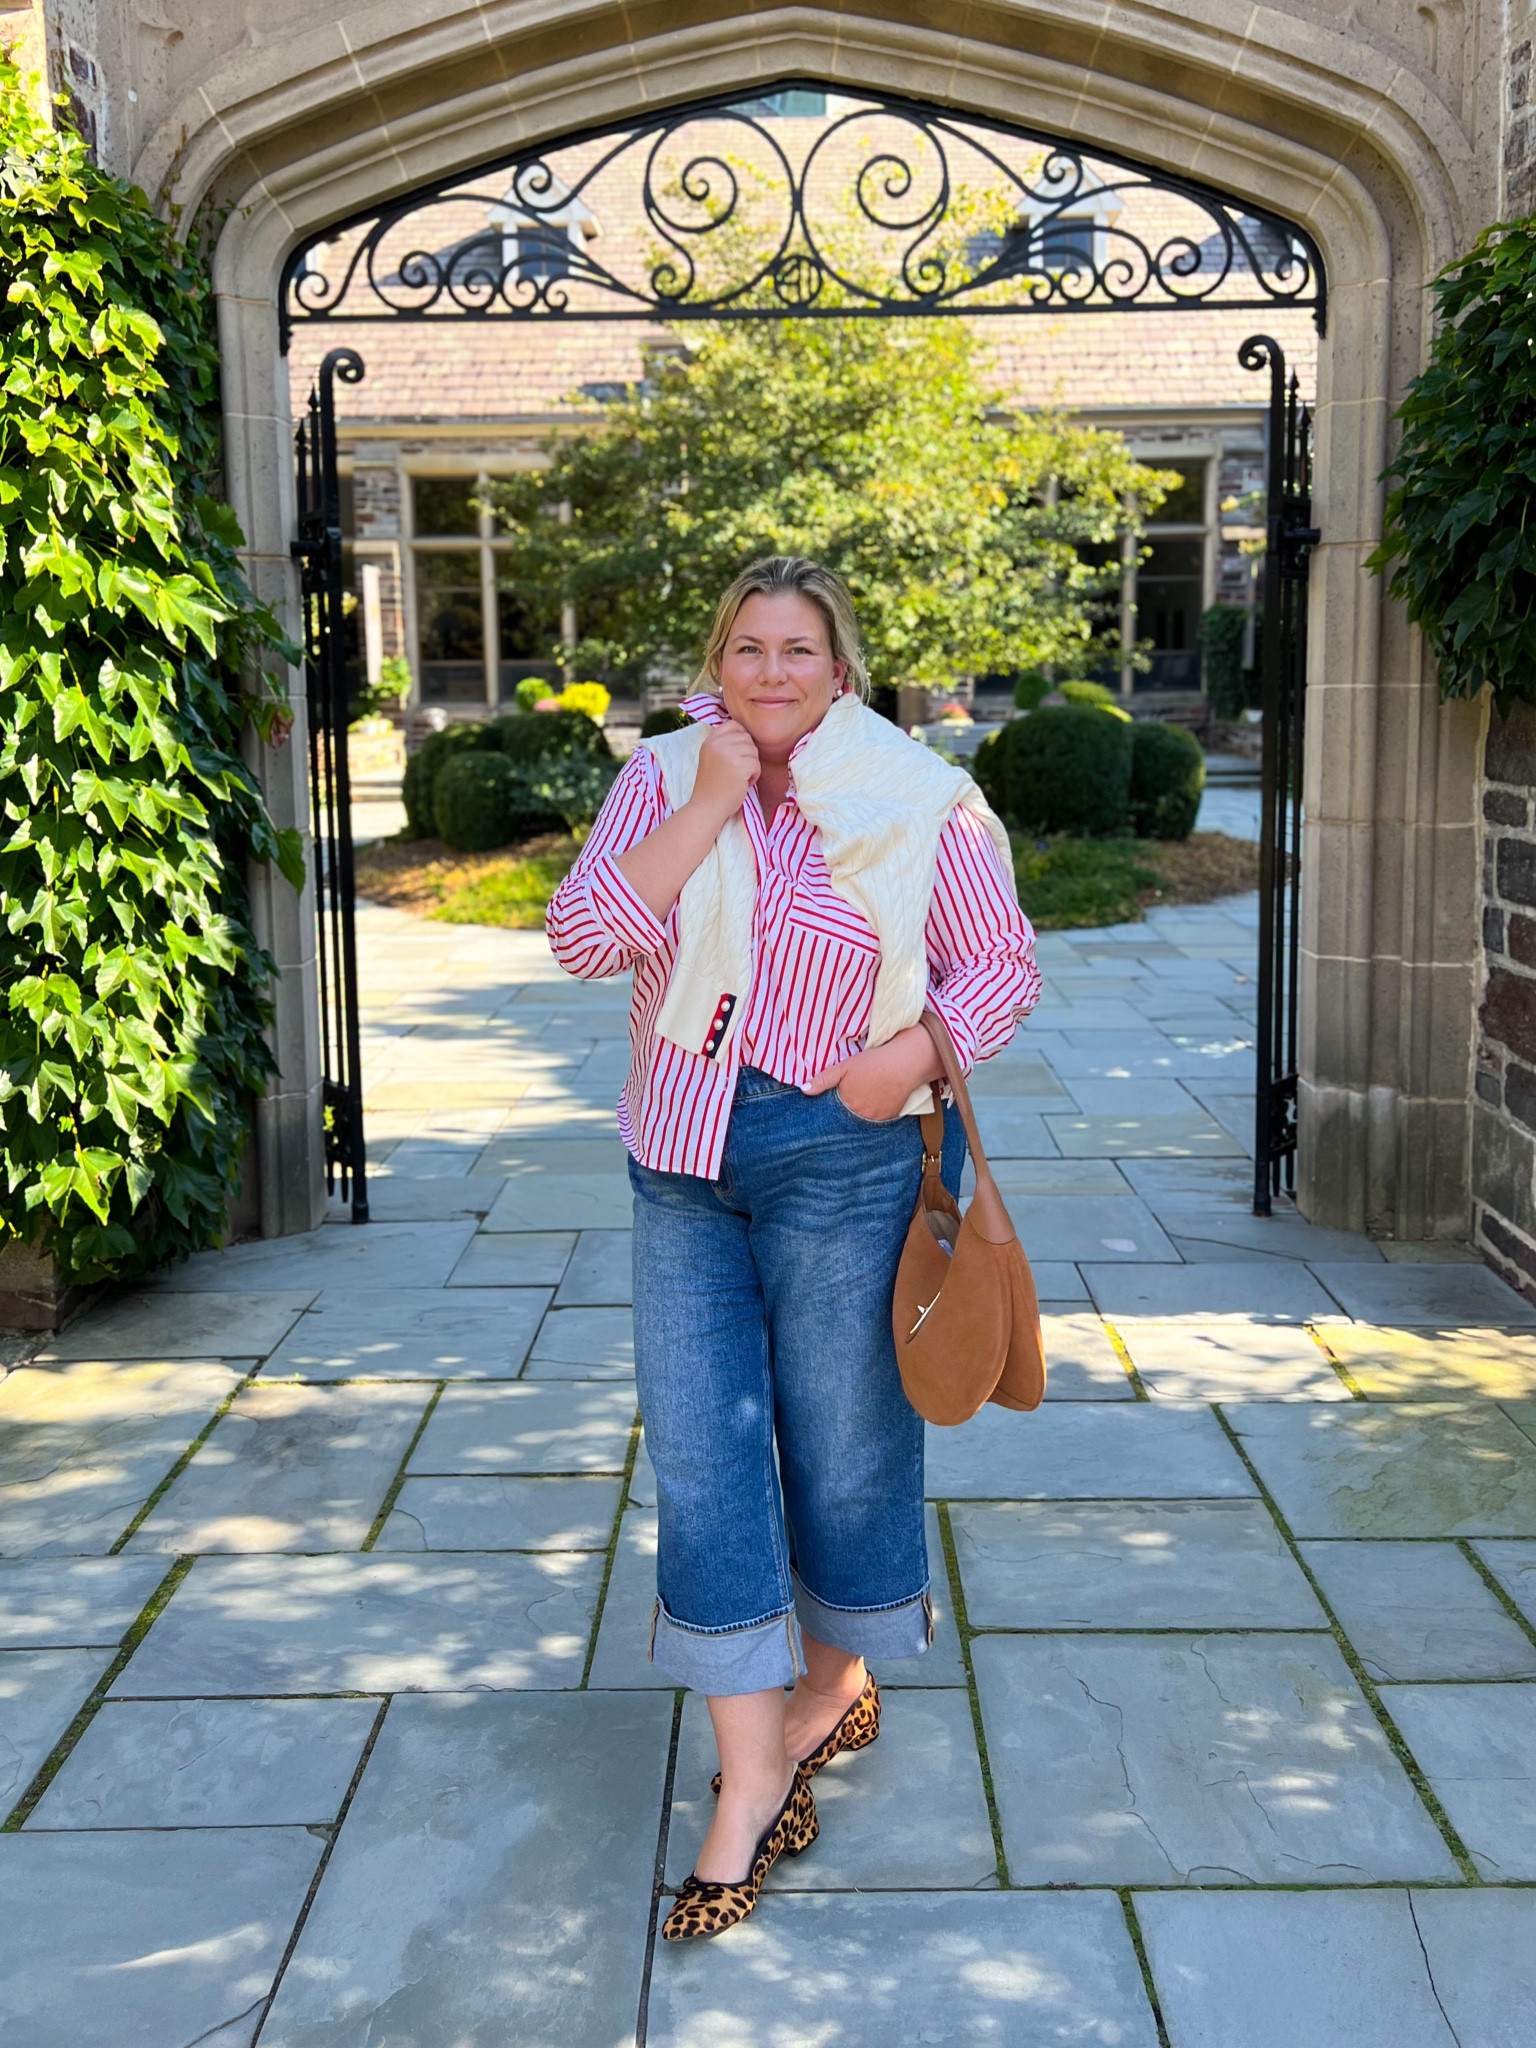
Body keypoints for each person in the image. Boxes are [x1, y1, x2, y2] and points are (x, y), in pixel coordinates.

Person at [547, 556, 1039, 1939]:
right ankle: (751, 1772)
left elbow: (1001, 961)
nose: (772, 670)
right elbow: (585, 937)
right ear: (722, 658)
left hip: (843, 1148)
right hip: (682, 1155)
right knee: (704, 1458)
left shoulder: (918, 794)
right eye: (749, 646)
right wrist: (708, 804)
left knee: (843, 1436)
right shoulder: (662, 777)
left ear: (840, 667)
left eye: (800, 648)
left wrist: (909, 1059)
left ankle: (829, 1690)